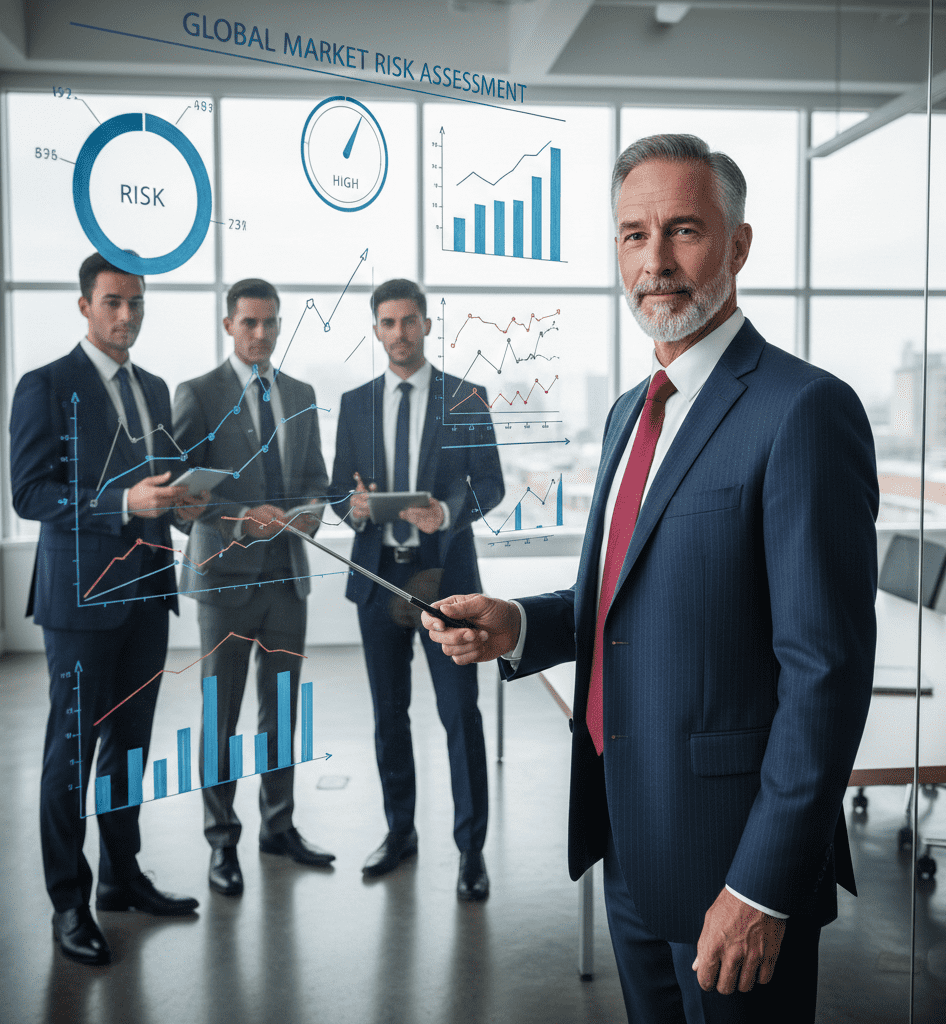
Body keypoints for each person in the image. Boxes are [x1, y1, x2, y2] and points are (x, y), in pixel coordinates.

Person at [423, 135, 879, 1022]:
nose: (655, 262)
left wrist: (762, 888)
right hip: (627, 838)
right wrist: (518, 623)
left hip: (733, 868)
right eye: (633, 236)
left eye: (683, 231)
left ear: (738, 247)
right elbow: (624, 603)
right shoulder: (634, 410)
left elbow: (826, 677)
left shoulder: (804, 411)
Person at [10, 252, 208, 967]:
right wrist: (123, 503)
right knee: (71, 758)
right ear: (85, 305)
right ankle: (70, 903)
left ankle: (123, 879)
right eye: (113, 302)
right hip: (80, 602)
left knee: (129, 750)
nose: (127, 316)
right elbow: (29, 494)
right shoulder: (46, 385)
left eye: (136, 304)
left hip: (149, 594)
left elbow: (164, 483)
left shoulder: (153, 390)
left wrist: (185, 503)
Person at [330, 278, 504, 900]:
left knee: (460, 715)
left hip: (446, 585)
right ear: (376, 330)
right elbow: (335, 491)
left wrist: (449, 512)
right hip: (379, 582)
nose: (399, 333)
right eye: (387, 322)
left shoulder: (464, 397)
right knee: (388, 716)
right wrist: (352, 507)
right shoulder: (355, 403)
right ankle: (399, 832)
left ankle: (470, 851)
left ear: (427, 325)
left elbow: (491, 485)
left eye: (409, 321)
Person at [172, 278, 333, 897]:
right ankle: (221, 842)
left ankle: (279, 827)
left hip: (287, 578)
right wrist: (239, 518)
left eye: (270, 323)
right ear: (228, 325)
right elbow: (185, 493)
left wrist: (311, 511)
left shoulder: (300, 393)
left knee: (282, 714)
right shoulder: (200, 394)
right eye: (249, 323)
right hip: (226, 583)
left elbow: (315, 478)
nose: (260, 334)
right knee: (223, 717)